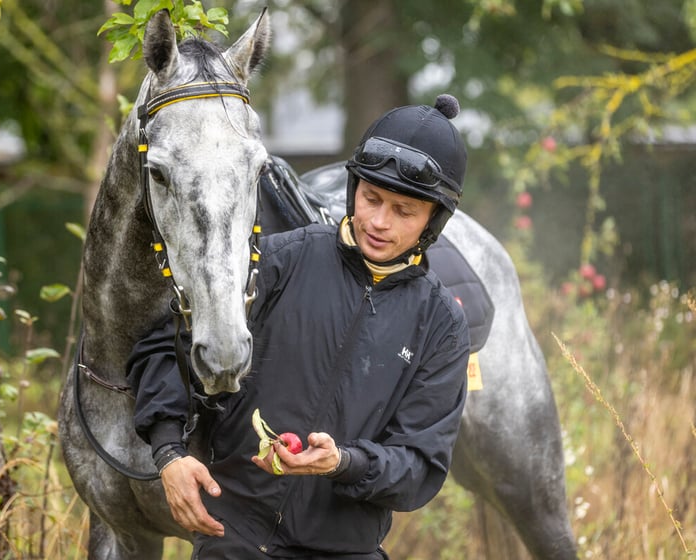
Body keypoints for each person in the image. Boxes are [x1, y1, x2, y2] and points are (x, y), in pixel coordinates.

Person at [127, 94, 471, 559]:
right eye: (371, 198)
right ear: (354, 189)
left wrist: (345, 463)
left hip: (345, 550)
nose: (378, 221)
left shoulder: (442, 325)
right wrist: (168, 454)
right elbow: (162, 349)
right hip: (233, 540)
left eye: (404, 211)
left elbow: (419, 467)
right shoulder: (278, 261)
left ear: (435, 221)